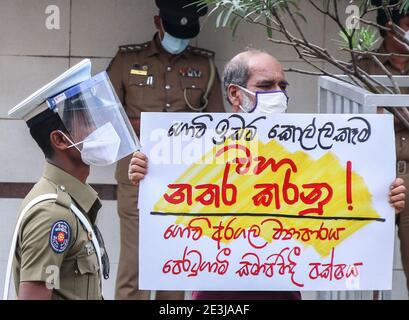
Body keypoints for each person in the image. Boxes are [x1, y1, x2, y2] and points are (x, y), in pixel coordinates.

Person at [128, 49, 407, 300]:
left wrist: (383, 199)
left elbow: (341, 207)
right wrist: (145, 173)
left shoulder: (307, 149)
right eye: (266, 85)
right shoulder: (194, 149)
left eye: (281, 86)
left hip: (282, 291)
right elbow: (167, 199)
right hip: (218, 294)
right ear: (235, 94)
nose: (278, 93)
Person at [107, 0, 225, 300]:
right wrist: (146, 126)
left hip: (186, 180)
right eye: (175, 31)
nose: (181, 40)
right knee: (134, 267)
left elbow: (218, 127)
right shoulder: (126, 60)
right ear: (158, 23)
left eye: (187, 34)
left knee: (174, 265)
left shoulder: (205, 66)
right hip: (137, 176)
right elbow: (105, 116)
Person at [4, 59, 139, 300]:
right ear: (60, 140)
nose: (100, 126)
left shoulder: (70, 202)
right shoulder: (52, 214)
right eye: (87, 120)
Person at [357, 0, 409, 295]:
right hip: (373, 177)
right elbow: (356, 124)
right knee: (369, 270)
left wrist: (386, 117)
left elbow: (376, 120)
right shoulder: (363, 65)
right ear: (389, 26)